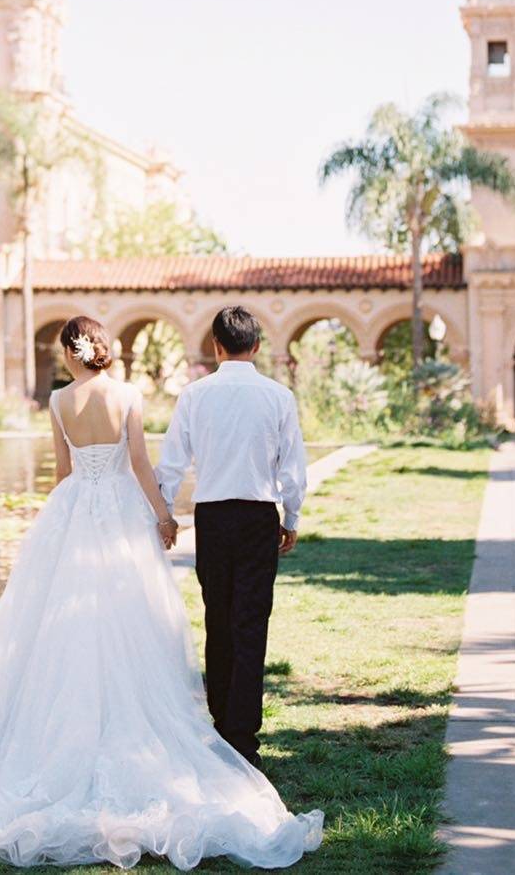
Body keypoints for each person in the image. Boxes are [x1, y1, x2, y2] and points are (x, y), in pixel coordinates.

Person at [0, 314, 322, 870]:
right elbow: (146, 463)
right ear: (256, 345)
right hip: (179, 516)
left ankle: (210, 724)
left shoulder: (69, 402)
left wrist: (99, 518)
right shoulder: (166, 395)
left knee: (114, 624)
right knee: (203, 625)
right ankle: (238, 736)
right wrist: (168, 516)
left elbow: (74, 472)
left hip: (99, 517)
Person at [158, 305, 308, 768]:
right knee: (250, 625)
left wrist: (164, 514)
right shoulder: (278, 396)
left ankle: (221, 728)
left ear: (216, 347)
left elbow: (171, 464)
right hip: (258, 515)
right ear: (257, 346)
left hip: (214, 518)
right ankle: (243, 737)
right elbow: (292, 466)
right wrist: (292, 515)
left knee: (218, 621)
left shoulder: (195, 395)